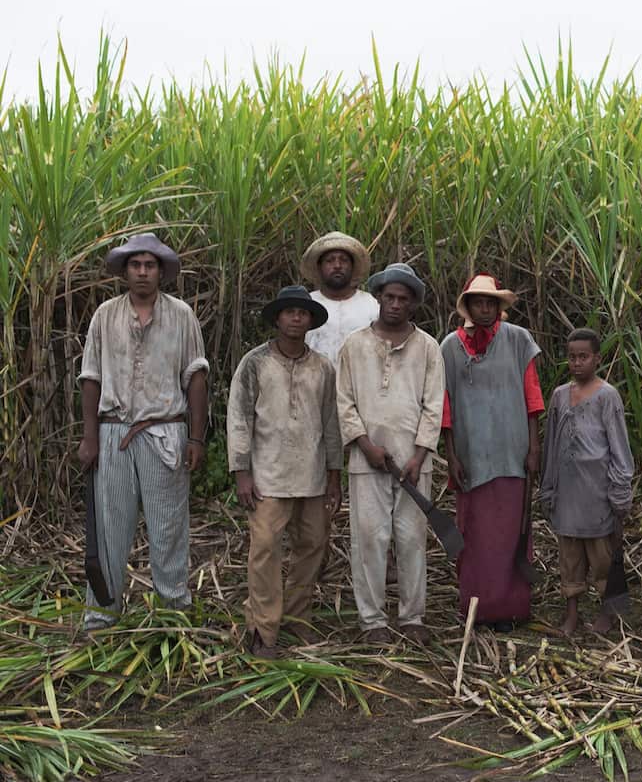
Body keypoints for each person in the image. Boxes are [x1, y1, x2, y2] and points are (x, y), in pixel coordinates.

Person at [76, 233, 209, 629]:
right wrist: (89, 437)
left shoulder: (182, 314)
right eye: (135, 265)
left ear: (161, 272)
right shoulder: (105, 315)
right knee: (110, 529)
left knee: (168, 526)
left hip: (165, 433)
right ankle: (101, 616)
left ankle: (173, 615)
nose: (142, 272)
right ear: (125, 271)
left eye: (150, 265)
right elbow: (91, 377)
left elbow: (196, 377)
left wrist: (196, 437)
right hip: (114, 433)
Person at [227, 286, 342, 658]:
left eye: (302, 313)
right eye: (289, 312)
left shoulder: (323, 367)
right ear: (276, 319)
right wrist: (241, 471)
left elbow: (331, 424)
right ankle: (263, 629)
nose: (296, 318)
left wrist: (334, 477)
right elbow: (239, 419)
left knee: (312, 547)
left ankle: (296, 619)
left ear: (310, 321)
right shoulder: (255, 363)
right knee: (264, 551)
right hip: (268, 478)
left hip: (311, 477)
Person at [336, 263, 444, 645]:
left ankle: (412, 617)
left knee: (412, 538)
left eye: (403, 299)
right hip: (367, 463)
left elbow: (433, 406)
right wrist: (365, 445)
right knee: (369, 540)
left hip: (414, 465)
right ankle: (373, 621)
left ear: (413, 303)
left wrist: (418, 456)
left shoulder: (428, 347)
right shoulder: (354, 345)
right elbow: (345, 403)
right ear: (379, 297)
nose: (395, 304)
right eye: (389, 297)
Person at [441, 273, 544, 631]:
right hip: (472, 457)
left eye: (490, 303)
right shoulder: (450, 348)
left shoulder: (518, 340)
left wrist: (534, 447)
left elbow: (532, 398)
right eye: (478, 303)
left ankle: (512, 608)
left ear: (499, 307)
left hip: (512, 454)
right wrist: (452, 457)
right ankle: (477, 608)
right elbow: (446, 410)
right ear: (467, 307)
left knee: (512, 533)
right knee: (476, 536)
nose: (484, 308)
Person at [540, 328, 635, 636]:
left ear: (597, 358)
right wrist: (549, 487)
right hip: (568, 492)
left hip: (597, 494)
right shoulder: (558, 396)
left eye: (583, 357)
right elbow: (552, 446)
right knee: (569, 558)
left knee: (603, 558)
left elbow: (619, 448)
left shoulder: (607, 396)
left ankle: (607, 613)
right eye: (572, 357)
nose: (577, 363)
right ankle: (572, 615)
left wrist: (620, 493)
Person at [302, 231, 378, 365]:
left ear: (352, 266)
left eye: (344, 260)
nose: (337, 266)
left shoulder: (373, 305)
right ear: (319, 267)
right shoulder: (307, 304)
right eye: (330, 260)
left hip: (361, 383)